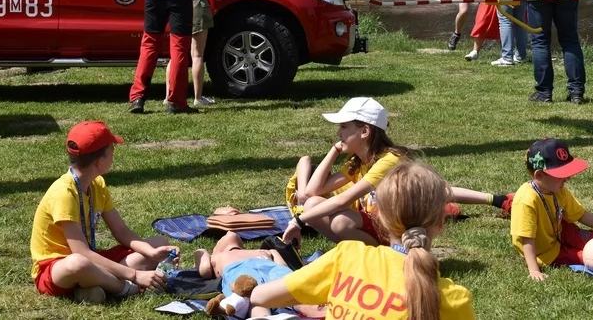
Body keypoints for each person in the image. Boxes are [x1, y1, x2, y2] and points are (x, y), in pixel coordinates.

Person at [252, 161, 476, 320]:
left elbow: (260, 296)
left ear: (380, 217)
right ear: (441, 223)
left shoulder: (348, 256)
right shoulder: (455, 300)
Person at [284, 98, 513, 245]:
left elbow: (344, 199)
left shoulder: (389, 160)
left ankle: (381, 254)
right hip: (379, 223)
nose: (338, 133)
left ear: (365, 131)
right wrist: (334, 150)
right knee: (315, 206)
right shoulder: (357, 161)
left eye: (344, 127)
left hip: (396, 229)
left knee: (341, 222)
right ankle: (355, 252)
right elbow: (312, 192)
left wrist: (297, 221)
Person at [30, 121, 181, 303]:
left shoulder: (97, 184)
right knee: (78, 263)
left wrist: (151, 252)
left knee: (159, 243)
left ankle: (94, 286)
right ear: (99, 161)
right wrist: (134, 276)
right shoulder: (63, 193)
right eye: (112, 153)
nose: (113, 157)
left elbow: (122, 232)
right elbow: (82, 253)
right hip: (57, 268)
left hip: (91, 259)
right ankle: (123, 288)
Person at [510, 138, 593, 280]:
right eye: (560, 175)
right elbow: (527, 240)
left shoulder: (559, 190)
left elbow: (581, 215)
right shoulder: (526, 200)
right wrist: (534, 270)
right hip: (544, 251)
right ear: (539, 175)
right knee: (587, 257)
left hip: (561, 230)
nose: (566, 179)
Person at [194, 232, 325, 319]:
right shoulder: (216, 257)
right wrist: (202, 252)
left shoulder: (266, 250)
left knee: (291, 287)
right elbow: (204, 270)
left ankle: (323, 312)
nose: (230, 234)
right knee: (253, 296)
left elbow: (283, 268)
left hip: (269, 266)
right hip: (240, 269)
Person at [165, 0, 224, 106]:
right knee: (197, 54)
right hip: (197, 2)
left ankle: (168, 94)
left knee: (175, 54)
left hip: (178, 3)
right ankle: (198, 97)